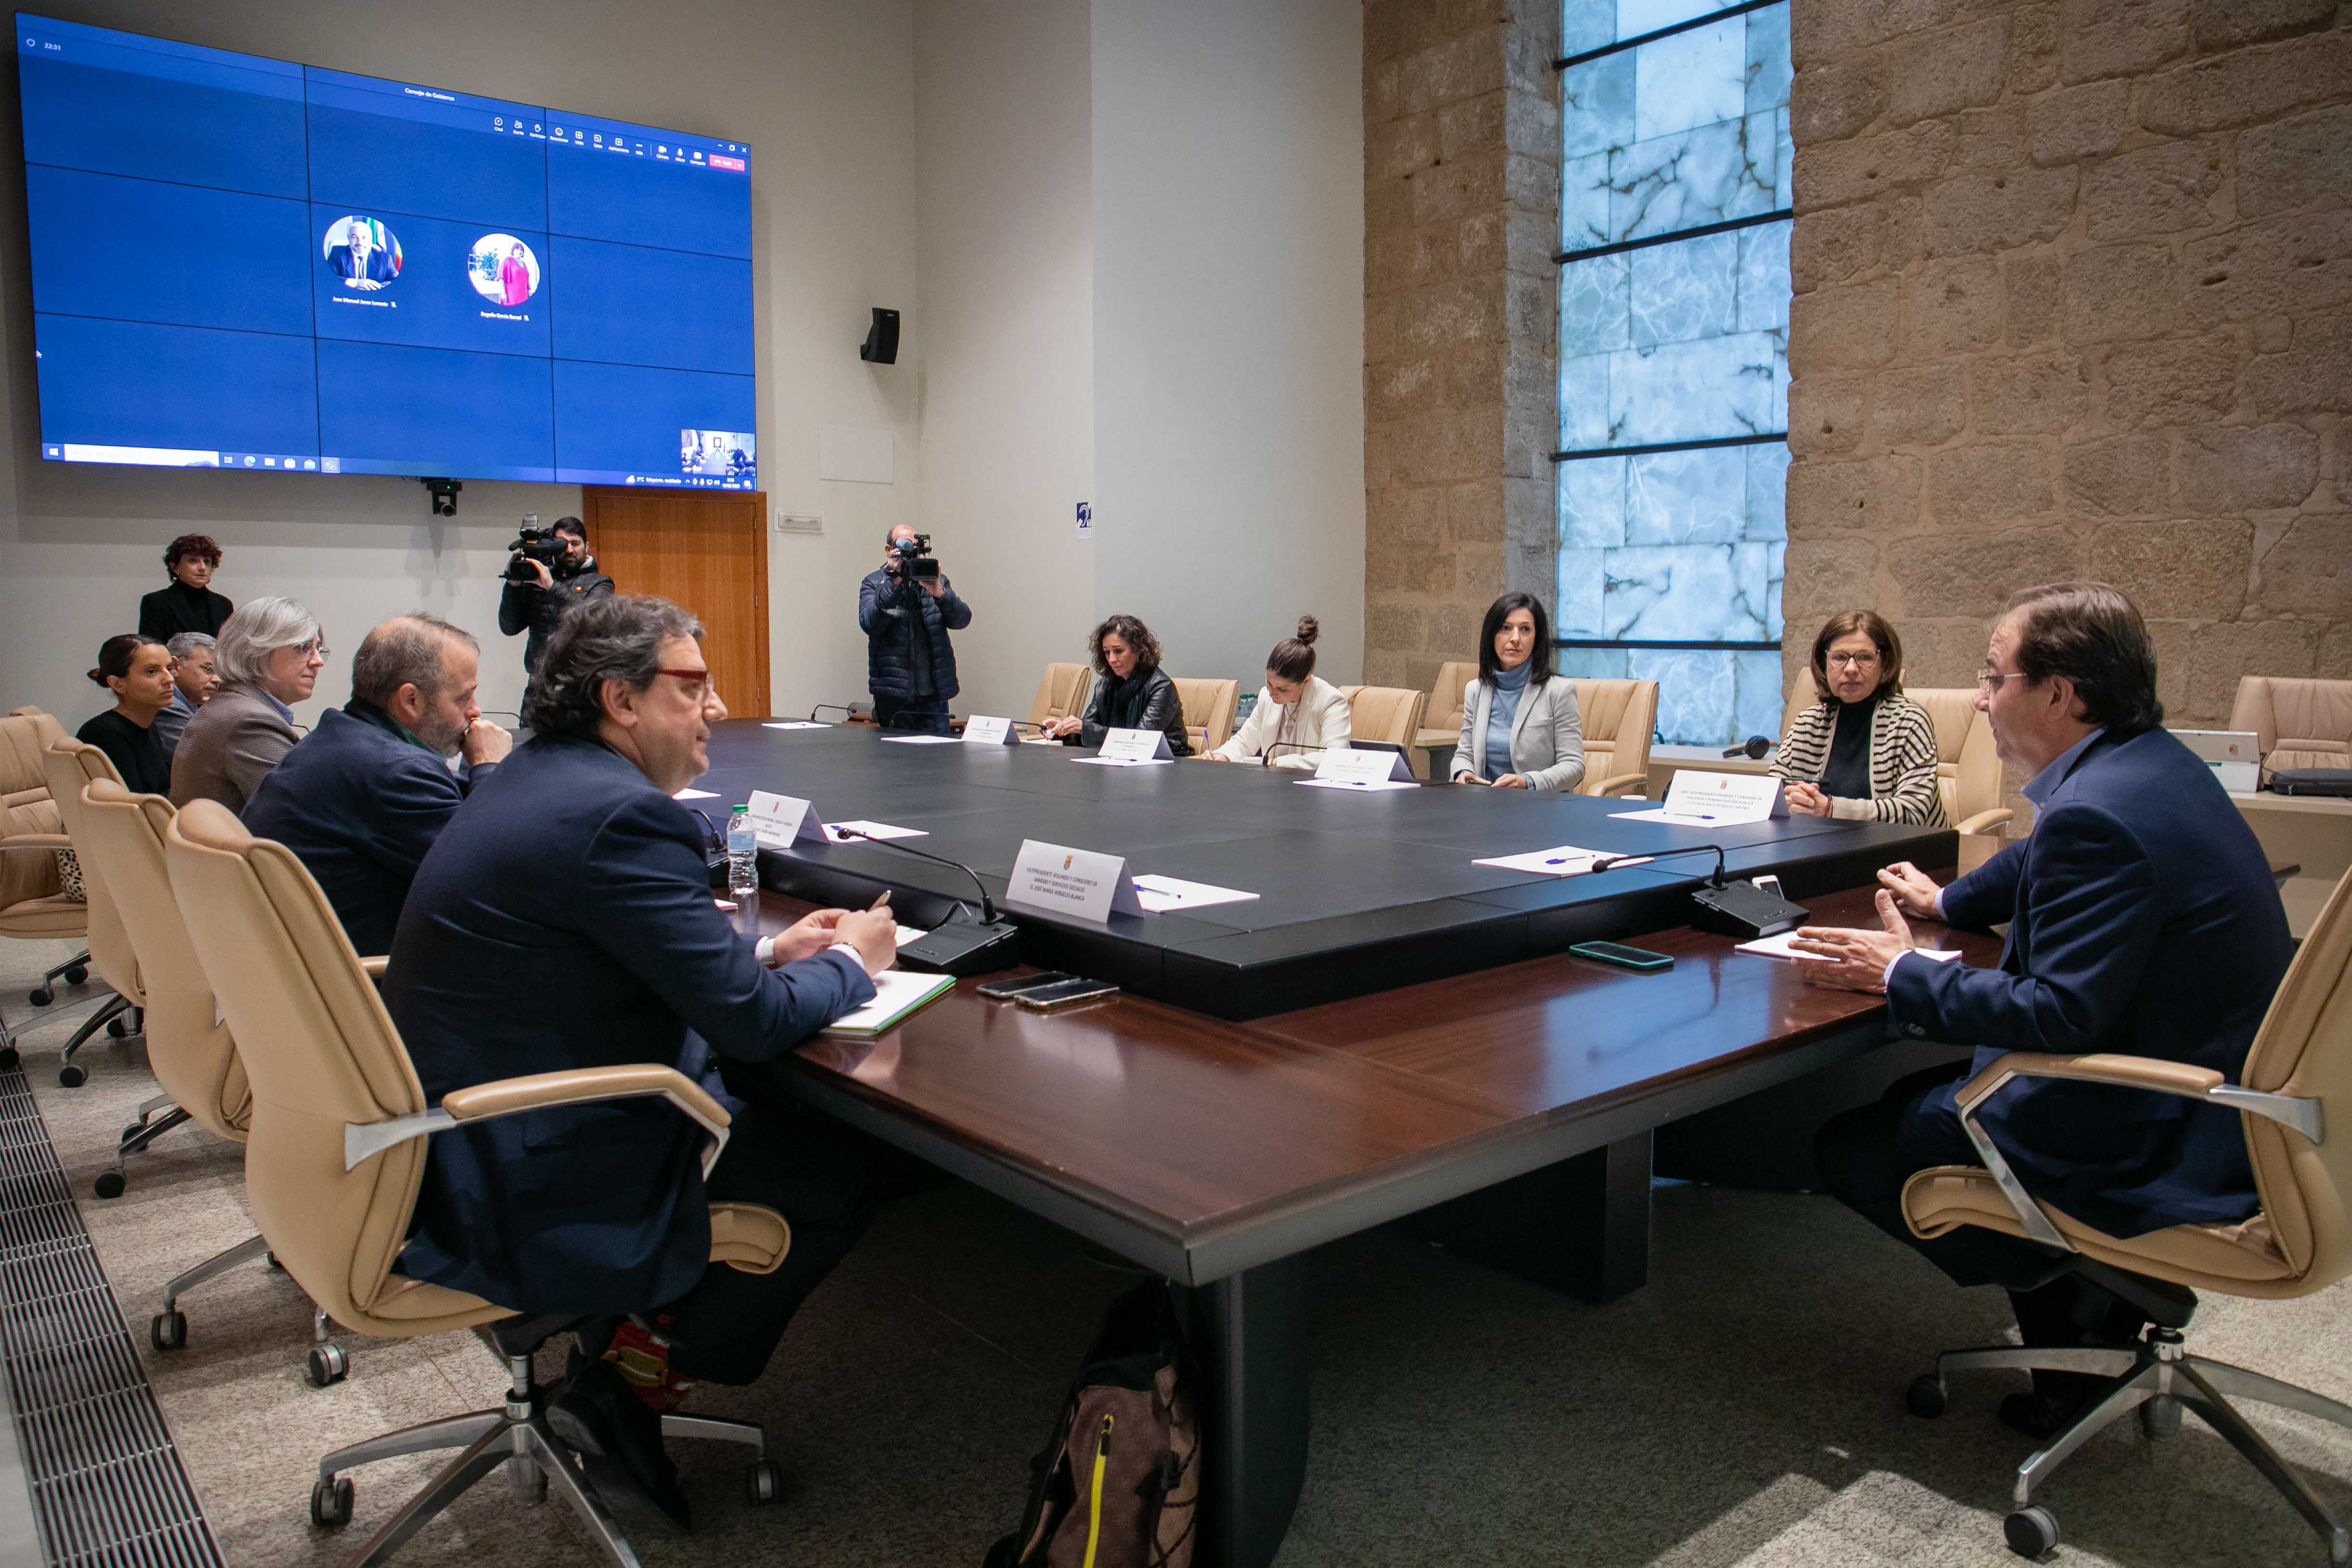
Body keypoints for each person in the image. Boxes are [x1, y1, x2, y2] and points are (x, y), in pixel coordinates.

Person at [383, 594, 897, 1529]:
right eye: (691, 686)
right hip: (534, 1163)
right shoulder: (621, 819)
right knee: (843, 1161)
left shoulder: (531, 780)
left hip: (453, 1134)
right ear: (620, 700)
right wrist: (849, 964)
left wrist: (765, 951)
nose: (714, 705)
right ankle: (631, 1373)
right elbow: (747, 1027)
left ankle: (620, 1352)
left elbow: (594, 949)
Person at [1800, 583, 2292, 1440]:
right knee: (1902, 1102)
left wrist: (1903, 970)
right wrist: (1949, 898)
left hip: (2157, 1123)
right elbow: (2038, 854)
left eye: (1993, 677)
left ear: (2059, 693)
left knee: (1858, 1147)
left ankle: (2078, 1316)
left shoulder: (2100, 813)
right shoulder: (2147, 765)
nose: (1982, 698)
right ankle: (2090, 1296)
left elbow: (2059, 1010)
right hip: (2222, 1089)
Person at [243, 615, 511, 957]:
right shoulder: (397, 771)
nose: (475, 711)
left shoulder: (339, 736)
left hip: (296, 965)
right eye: (464, 697)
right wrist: (490, 768)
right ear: (410, 700)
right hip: (367, 985)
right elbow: (493, 879)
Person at [1771, 611, 1946, 825]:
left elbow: (1912, 813)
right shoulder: (1809, 723)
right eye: (1839, 657)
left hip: (1899, 851)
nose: (1851, 669)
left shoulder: (1909, 722)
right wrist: (1788, 800)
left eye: (1865, 657)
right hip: (1820, 848)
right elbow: (1770, 793)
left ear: (1885, 664)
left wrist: (1830, 808)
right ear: (1824, 664)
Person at [169, 596, 324, 814]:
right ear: (258, 650)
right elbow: (304, 818)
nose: (318, 661)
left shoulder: (230, 704)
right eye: (304, 648)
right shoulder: (249, 721)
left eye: (319, 649)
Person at [1451, 591, 1583, 791]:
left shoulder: (1559, 692)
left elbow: (1574, 765)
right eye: (1505, 628)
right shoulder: (1475, 690)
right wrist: (1463, 773)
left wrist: (1528, 782)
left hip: (1539, 809)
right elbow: (1464, 754)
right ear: (1491, 635)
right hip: (1483, 807)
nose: (1515, 638)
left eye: (1525, 629)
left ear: (1536, 638)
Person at [858, 524, 971, 735]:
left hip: (934, 697)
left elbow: (962, 619)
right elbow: (870, 624)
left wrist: (940, 593)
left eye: (915, 548)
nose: (910, 555)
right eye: (904, 548)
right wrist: (893, 583)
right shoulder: (874, 583)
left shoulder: (935, 580)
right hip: (894, 698)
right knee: (894, 763)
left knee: (937, 762)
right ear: (888, 550)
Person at [1208, 615, 1353, 769]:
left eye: (1283, 689)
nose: (1272, 693)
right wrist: (1223, 755)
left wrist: (1278, 763)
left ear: (1306, 681)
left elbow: (1335, 758)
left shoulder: (1330, 701)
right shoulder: (1266, 696)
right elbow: (1244, 742)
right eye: (1269, 683)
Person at [498, 516, 615, 695]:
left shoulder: (601, 583)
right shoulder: (537, 582)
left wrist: (551, 587)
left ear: (587, 546)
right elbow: (509, 627)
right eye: (562, 545)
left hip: (580, 686)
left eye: (575, 543)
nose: (569, 550)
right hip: (539, 686)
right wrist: (513, 586)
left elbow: (591, 622)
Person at [1046, 614, 1191, 757]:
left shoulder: (1161, 687)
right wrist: (1061, 732)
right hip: (1119, 762)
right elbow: (1088, 731)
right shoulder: (1106, 685)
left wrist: (1086, 729)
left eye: (1118, 651)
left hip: (1169, 765)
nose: (1112, 659)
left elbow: (1139, 742)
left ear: (1138, 650)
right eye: (1107, 653)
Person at [76, 634, 174, 795]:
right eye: (151, 672)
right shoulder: (105, 733)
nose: (169, 679)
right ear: (117, 684)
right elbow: (133, 807)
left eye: (169, 669)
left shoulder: (150, 727)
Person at [138, 534, 231, 640]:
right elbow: (152, 649)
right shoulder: (156, 602)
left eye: (207, 561)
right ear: (175, 567)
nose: (202, 568)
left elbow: (228, 648)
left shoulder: (224, 604)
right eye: (193, 561)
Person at [151, 631, 219, 761]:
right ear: (175, 666)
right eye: (208, 670)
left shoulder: (191, 705)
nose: (217, 679)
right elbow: (205, 759)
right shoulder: (167, 706)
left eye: (220, 672)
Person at [499, 242, 532, 306]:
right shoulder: (508, 260)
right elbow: (501, 278)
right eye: (517, 249)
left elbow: (527, 282)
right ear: (513, 250)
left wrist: (529, 294)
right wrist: (503, 293)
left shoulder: (524, 264)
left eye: (522, 250)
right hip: (512, 295)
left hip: (524, 296)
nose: (520, 251)